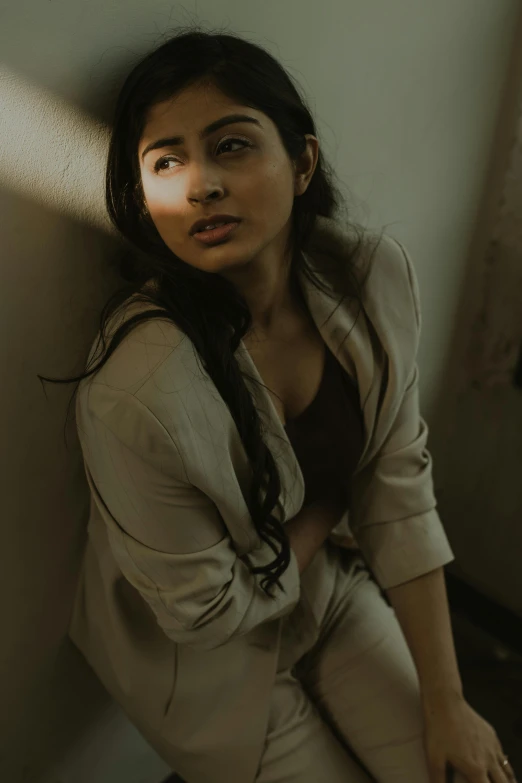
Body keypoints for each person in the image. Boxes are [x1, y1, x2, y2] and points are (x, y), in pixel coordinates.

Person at [38, 27, 516, 783]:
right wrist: (331, 502)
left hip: (326, 590)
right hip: (206, 672)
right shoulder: (137, 394)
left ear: (302, 162)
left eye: (230, 145)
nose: (201, 185)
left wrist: (447, 699)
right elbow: (209, 615)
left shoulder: (371, 275)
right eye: (167, 160)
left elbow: (397, 477)